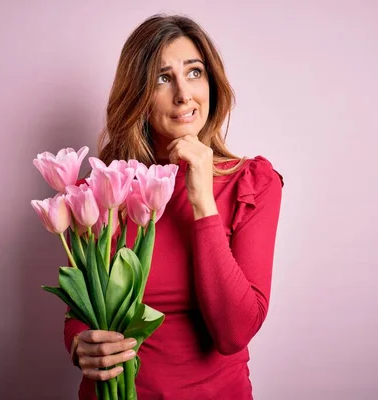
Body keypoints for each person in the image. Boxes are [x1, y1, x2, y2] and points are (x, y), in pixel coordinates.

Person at [63, 13, 284, 400]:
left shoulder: (251, 183)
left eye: (194, 72)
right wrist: (80, 344)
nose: (184, 93)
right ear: (139, 94)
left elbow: (234, 332)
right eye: (164, 79)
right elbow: (83, 304)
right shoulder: (103, 192)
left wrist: (202, 201)